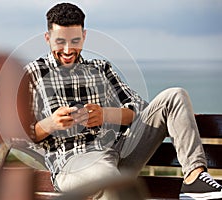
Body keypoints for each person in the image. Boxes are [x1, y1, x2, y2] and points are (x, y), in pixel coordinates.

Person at [18, 2, 222, 199]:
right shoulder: (33, 74)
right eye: (60, 41)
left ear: (84, 36)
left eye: (75, 41)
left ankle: (195, 179)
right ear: (47, 38)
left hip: (120, 152)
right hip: (74, 164)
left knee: (174, 96)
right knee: (106, 177)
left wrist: (105, 114)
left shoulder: (100, 68)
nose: (68, 50)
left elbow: (138, 110)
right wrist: (51, 123)